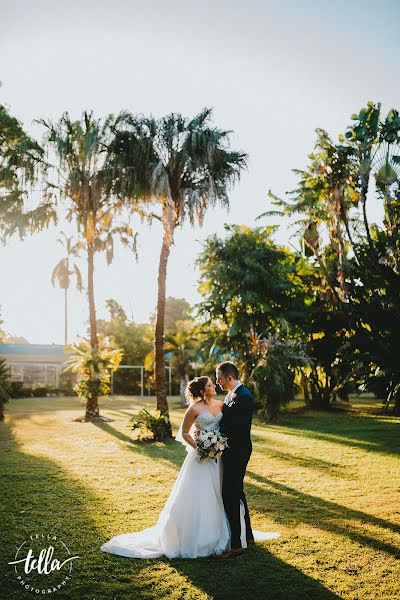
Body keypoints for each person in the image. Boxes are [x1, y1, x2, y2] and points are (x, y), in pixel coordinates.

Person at [100, 374, 279, 560]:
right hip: (201, 458)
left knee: (220, 493)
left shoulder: (221, 404)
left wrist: (216, 445)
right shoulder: (194, 409)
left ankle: (226, 534)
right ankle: (199, 537)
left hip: (218, 457)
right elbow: (184, 433)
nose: (214, 386)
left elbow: (229, 424)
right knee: (200, 494)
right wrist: (200, 447)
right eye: (211, 385)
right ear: (203, 391)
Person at [215, 361, 262, 558]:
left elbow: (236, 428)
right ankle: (248, 535)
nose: (217, 381)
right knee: (238, 492)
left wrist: (215, 439)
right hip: (231, 450)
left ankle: (236, 545)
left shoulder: (243, 397)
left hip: (238, 451)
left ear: (229, 377)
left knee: (230, 494)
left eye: (218, 377)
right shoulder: (231, 395)